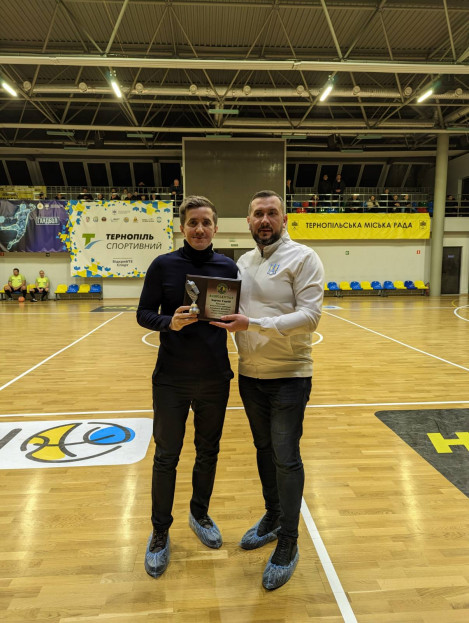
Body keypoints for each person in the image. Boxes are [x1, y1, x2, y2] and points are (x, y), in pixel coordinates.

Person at [211, 190, 324, 590]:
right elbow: (229, 309)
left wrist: (254, 325)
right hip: (250, 375)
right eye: (258, 213)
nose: (264, 220)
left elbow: (310, 316)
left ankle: (289, 541)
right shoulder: (243, 262)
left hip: (290, 375)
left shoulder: (304, 258)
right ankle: (274, 515)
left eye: (272, 213)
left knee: (286, 457)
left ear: (284, 218)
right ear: (248, 221)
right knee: (264, 450)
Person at [136, 195, 238, 580]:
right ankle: (160, 531)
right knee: (166, 456)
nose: (199, 229)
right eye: (193, 222)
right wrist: (168, 323)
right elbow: (143, 313)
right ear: (182, 227)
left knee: (208, 452)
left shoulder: (227, 267)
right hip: (171, 379)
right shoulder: (162, 265)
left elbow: (236, 313)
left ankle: (200, 514)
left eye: (206, 222)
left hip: (215, 377)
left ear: (215, 228)